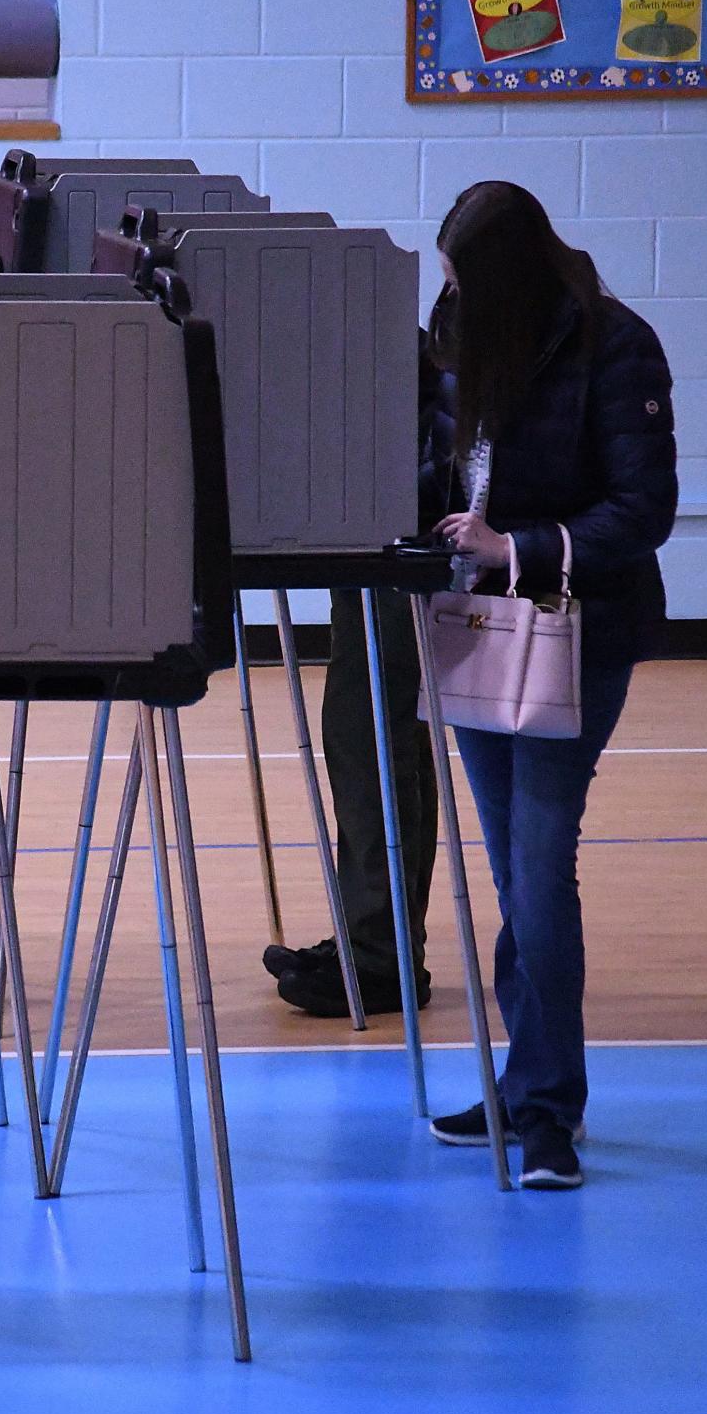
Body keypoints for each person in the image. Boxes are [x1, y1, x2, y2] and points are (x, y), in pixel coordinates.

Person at [421, 182, 676, 1191]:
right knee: (514, 874)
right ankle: (528, 1080)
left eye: (463, 284)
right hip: (482, 627)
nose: (450, 305)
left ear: (509, 278)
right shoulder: (464, 330)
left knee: (539, 864)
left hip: (578, 629)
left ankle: (548, 1113)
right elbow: (447, 460)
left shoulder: (616, 346)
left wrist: (515, 544)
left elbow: (643, 509)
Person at [262, 337, 443, 1017]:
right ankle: (377, 941)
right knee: (374, 727)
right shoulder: (443, 327)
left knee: (373, 732)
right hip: (372, 520)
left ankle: (381, 956)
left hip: (394, 527)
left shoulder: (452, 334)